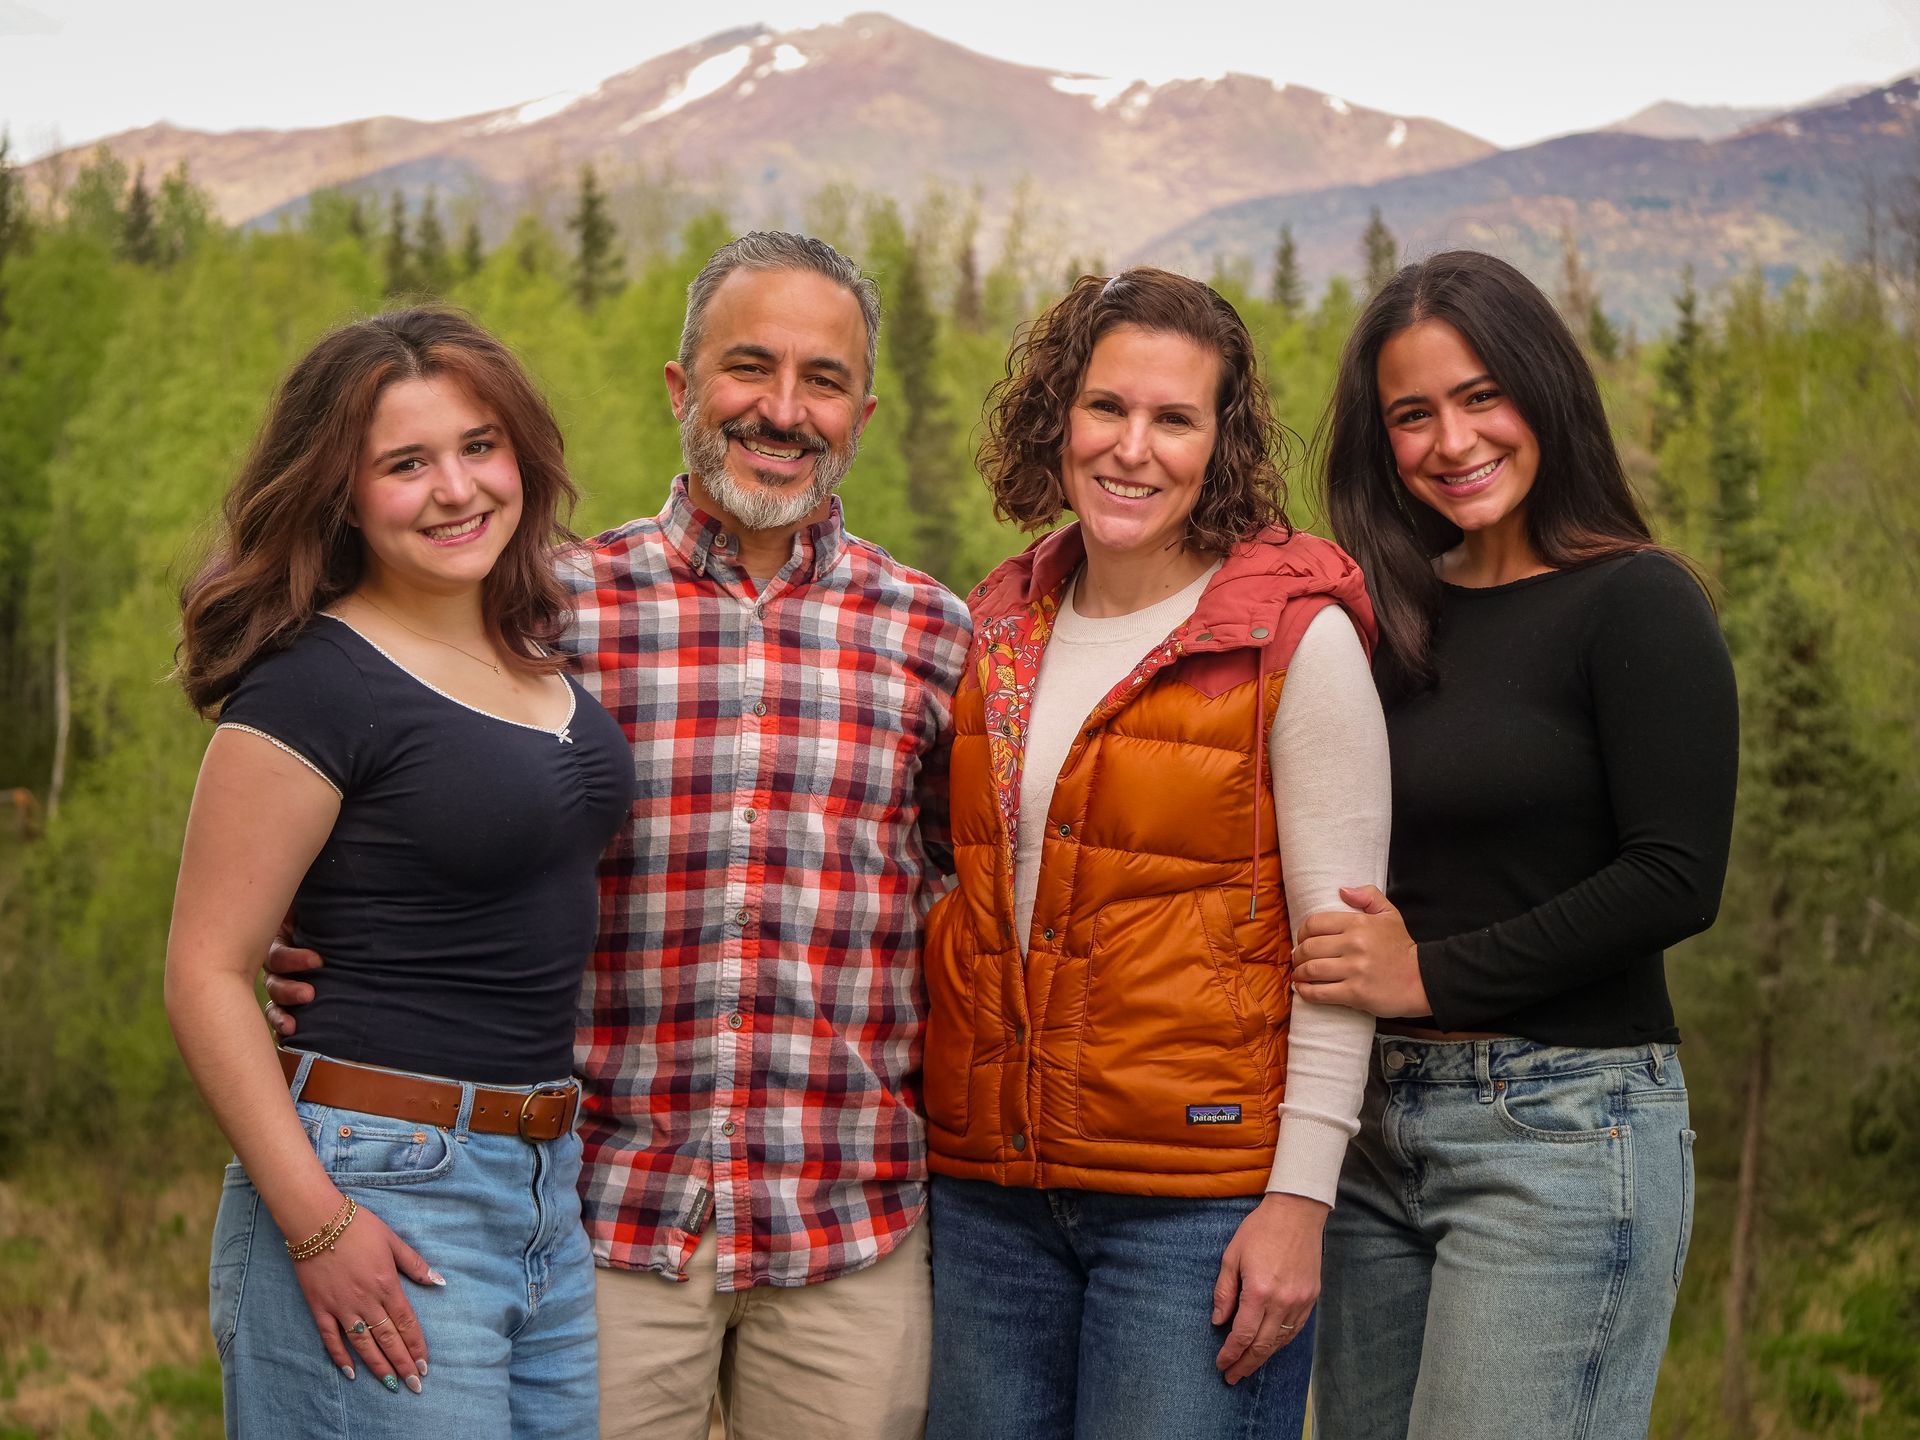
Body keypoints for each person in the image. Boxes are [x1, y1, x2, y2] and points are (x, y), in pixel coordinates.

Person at [266, 233, 972, 1440]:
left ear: (862, 409)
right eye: (750, 368)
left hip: (850, 1230)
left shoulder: (936, 634)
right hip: (597, 1221)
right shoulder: (540, 610)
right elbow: (397, 806)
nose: (783, 410)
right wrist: (313, 935)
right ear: (681, 385)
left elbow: (976, 901)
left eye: (824, 380)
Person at [921, 268, 1390, 1439]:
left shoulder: (1294, 640)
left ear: (1219, 443)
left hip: (1194, 1215)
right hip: (989, 1200)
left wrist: (1299, 1201)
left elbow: (1342, 951)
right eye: (1106, 409)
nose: (1133, 449)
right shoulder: (1002, 625)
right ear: (1057, 419)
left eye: (1174, 419)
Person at [167, 308, 635, 1438]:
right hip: (378, 1181)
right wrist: (316, 1224)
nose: (456, 488)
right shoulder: (314, 685)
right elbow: (205, 972)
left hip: (537, 1190)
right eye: (405, 464)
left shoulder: (530, 652)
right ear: (341, 491)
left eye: (480, 446)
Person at [1297, 249, 1739, 1439]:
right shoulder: (1381, 620)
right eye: (1413, 414)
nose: (1452, 439)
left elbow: (1675, 877)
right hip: (1370, 1136)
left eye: (1481, 395)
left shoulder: (1637, 601)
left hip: (1560, 1130)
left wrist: (1428, 976)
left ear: (1546, 392)